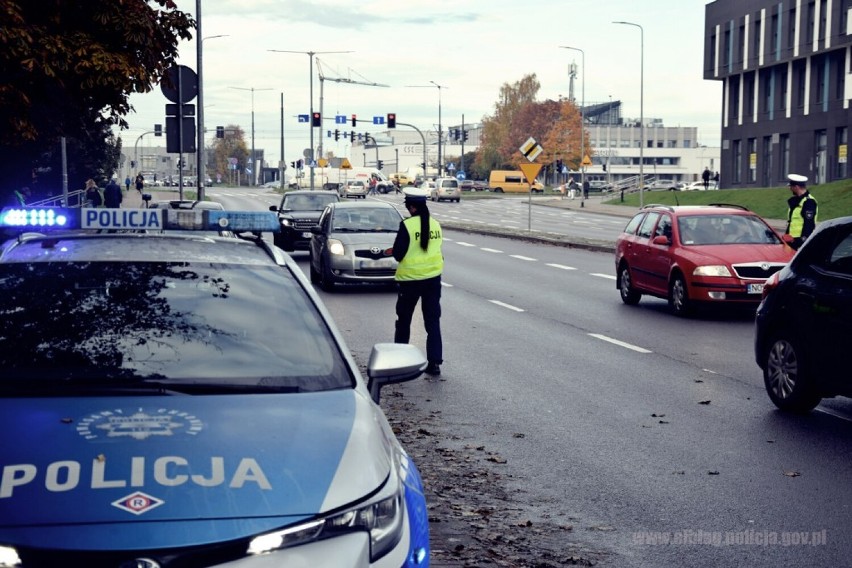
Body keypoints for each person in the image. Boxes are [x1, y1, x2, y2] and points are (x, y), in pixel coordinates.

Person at [392, 187, 444, 376]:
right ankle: (435, 363)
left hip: (410, 281)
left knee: (404, 320)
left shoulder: (407, 225)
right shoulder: (436, 224)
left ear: (412, 208)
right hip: (433, 280)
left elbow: (398, 254)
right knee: (432, 321)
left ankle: (400, 360)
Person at [782, 173, 818, 250]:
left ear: (796, 187)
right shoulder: (796, 201)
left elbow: (809, 224)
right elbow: (792, 222)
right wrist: (786, 235)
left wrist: (802, 241)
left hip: (800, 243)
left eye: (791, 186)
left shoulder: (809, 202)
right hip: (791, 241)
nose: (789, 188)